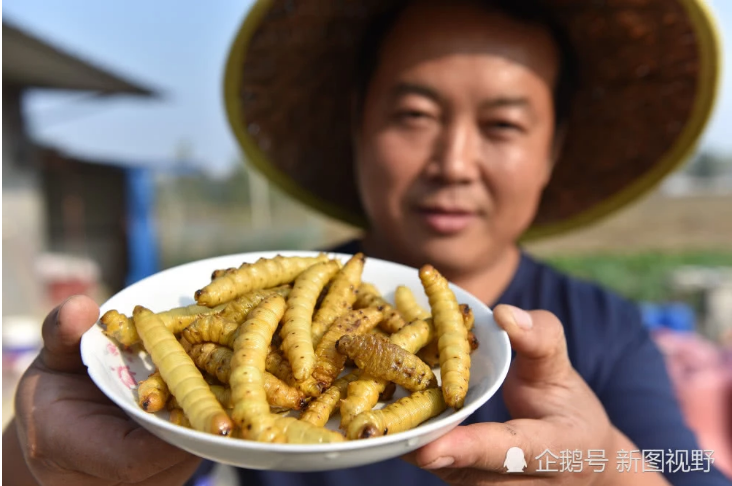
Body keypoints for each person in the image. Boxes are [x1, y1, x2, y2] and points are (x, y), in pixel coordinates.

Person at [3, 0, 731, 485]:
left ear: (553, 149)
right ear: (358, 124)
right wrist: (28, 461)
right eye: (415, 113)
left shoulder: (601, 330)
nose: (452, 161)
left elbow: (680, 466)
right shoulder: (268, 298)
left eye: (503, 125)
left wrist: (602, 464)